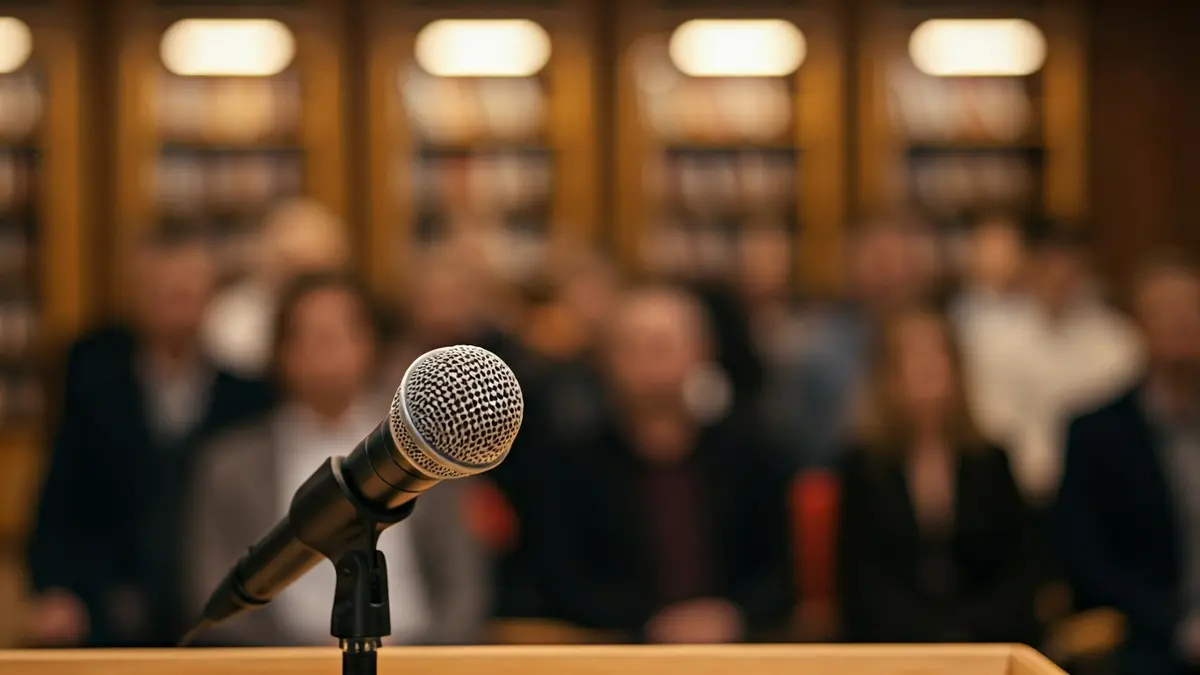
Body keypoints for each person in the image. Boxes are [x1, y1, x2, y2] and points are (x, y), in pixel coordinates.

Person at [186, 273, 487, 646]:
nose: (325, 350)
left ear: (371, 345)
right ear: (280, 352)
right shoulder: (232, 464)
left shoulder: (423, 454)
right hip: (286, 667)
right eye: (309, 337)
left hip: (415, 659)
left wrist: (414, 656)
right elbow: (215, 589)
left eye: (339, 335)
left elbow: (464, 585)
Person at [26, 227, 273, 647]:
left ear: (213, 297)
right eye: (163, 291)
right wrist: (54, 589)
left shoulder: (248, 397)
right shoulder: (96, 389)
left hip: (223, 600)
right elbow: (60, 501)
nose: (177, 306)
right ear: (136, 297)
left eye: (188, 292)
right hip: (110, 601)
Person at [544, 284, 794, 642]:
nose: (649, 364)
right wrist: (649, 623)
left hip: (737, 651)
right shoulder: (570, 464)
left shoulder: (752, 454)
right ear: (604, 359)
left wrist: (731, 615)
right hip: (615, 652)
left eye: (662, 347)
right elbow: (561, 581)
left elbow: (780, 576)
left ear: (703, 353)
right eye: (631, 348)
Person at [837, 308, 1042, 644]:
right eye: (912, 360)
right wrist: (931, 640)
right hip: (893, 648)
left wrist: (964, 635)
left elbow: (1019, 571)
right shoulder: (862, 466)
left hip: (985, 643)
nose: (926, 371)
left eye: (936, 357)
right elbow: (861, 582)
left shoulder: (991, 460)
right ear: (887, 377)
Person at [1057, 253, 1200, 675]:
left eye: (1191, 309)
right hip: (1148, 639)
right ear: (1135, 326)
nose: (1181, 323)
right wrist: (1178, 625)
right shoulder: (1097, 433)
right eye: (1163, 312)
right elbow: (1086, 560)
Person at [963, 226, 1143, 507]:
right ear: (1028, 265)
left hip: (1103, 492)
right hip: (1017, 492)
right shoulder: (991, 338)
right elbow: (993, 421)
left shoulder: (1117, 340)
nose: (1060, 276)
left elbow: (1124, 427)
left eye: (1071, 264)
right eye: (1049, 263)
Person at [773, 216, 939, 470]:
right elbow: (801, 442)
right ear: (854, 269)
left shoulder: (936, 342)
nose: (891, 277)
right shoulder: (821, 349)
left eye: (902, 262)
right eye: (880, 264)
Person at [202, 198, 351, 378]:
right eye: (289, 265)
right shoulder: (231, 320)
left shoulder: (352, 316)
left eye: (311, 273)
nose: (299, 286)